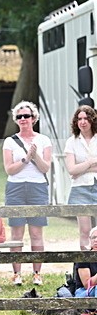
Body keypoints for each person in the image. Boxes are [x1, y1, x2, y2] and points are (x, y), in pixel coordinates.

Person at [3, 101, 52, 285]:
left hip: (37, 187)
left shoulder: (44, 140)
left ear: (34, 118)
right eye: (19, 116)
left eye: (27, 116)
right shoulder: (10, 141)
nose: (23, 119)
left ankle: (36, 273)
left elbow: (45, 167)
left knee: (36, 232)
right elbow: (9, 169)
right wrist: (26, 158)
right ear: (16, 120)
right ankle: (17, 273)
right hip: (15, 188)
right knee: (16, 232)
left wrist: (35, 155)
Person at [64, 105, 97, 251]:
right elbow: (71, 170)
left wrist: (81, 167)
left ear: (92, 120)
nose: (83, 122)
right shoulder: (72, 141)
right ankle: (84, 266)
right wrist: (90, 162)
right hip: (80, 188)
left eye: (86, 118)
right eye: (79, 119)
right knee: (85, 231)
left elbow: (77, 169)